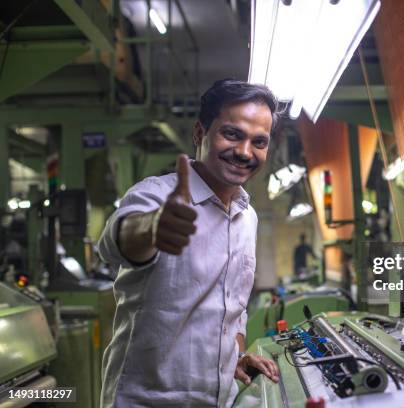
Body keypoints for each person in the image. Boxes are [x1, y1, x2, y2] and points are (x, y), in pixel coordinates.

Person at [98, 79, 280, 407]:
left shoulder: (247, 216)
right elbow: (116, 241)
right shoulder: (156, 196)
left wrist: (232, 358)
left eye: (259, 141)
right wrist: (153, 228)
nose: (244, 152)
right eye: (232, 134)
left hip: (221, 399)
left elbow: (232, 306)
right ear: (200, 133)